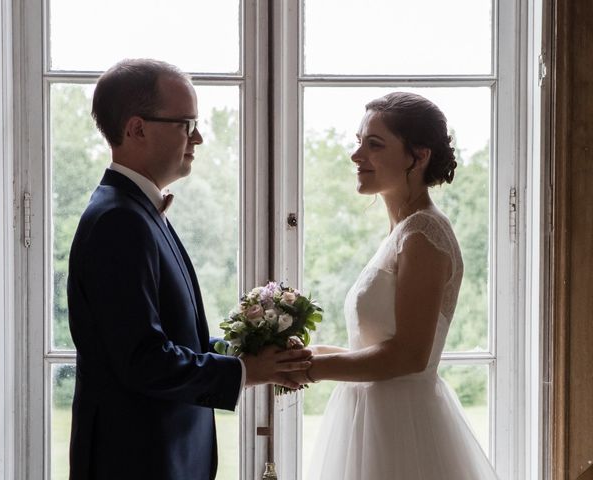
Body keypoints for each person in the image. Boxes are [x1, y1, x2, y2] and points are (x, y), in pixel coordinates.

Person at [66, 58, 311, 480]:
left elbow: (174, 338)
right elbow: (143, 358)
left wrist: (245, 354)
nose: (198, 137)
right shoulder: (117, 220)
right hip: (137, 462)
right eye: (186, 123)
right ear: (137, 128)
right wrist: (244, 373)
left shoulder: (137, 210)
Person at [297, 92, 500, 479]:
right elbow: (377, 345)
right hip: (374, 419)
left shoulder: (424, 233)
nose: (357, 156)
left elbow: (408, 356)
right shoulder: (402, 232)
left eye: (374, 145)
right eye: (359, 143)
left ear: (418, 156)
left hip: (402, 427)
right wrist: (309, 354)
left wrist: (313, 369)